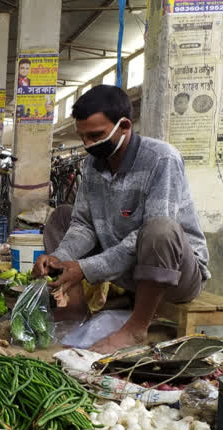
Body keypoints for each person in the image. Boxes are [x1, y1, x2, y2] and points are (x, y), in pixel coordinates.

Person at [33, 85, 209, 354]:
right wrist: (61, 256)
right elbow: (83, 224)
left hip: (175, 275)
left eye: (96, 136)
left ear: (124, 125)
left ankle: (136, 327)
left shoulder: (161, 159)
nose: (88, 145)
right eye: (83, 137)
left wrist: (85, 268)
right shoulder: (93, 164)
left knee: (159, 230)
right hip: (127, 270)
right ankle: (75, 307)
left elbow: (146, 235)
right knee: (62, 216)